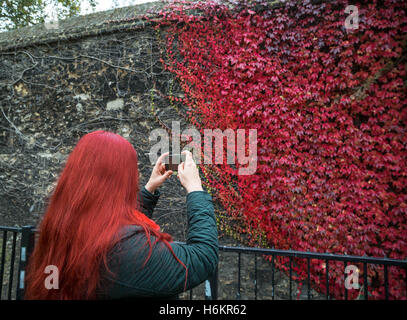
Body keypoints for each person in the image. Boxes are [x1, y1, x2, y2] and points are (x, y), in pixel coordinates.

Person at [24, 130, 218, 299]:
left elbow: (115, 228)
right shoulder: (126, 251)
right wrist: (195, 189)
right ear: (123, 179)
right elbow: (202, 258)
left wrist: (149, 190)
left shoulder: (61, 229)